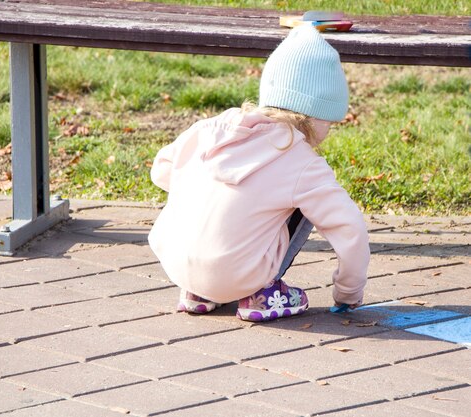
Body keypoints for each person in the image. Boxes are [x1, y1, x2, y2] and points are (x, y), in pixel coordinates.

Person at [148, 24, 370, 322]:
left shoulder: (209, 129)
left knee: (207, 189)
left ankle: (199, 292)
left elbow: (161, 171)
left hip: (176, 265)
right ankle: (260, 293)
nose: (328, 132)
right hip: (238, 273)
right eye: (331, 123)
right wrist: (348, 293)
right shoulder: (301, 163)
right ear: (317, 116)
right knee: (306, 206)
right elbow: (349, 227)